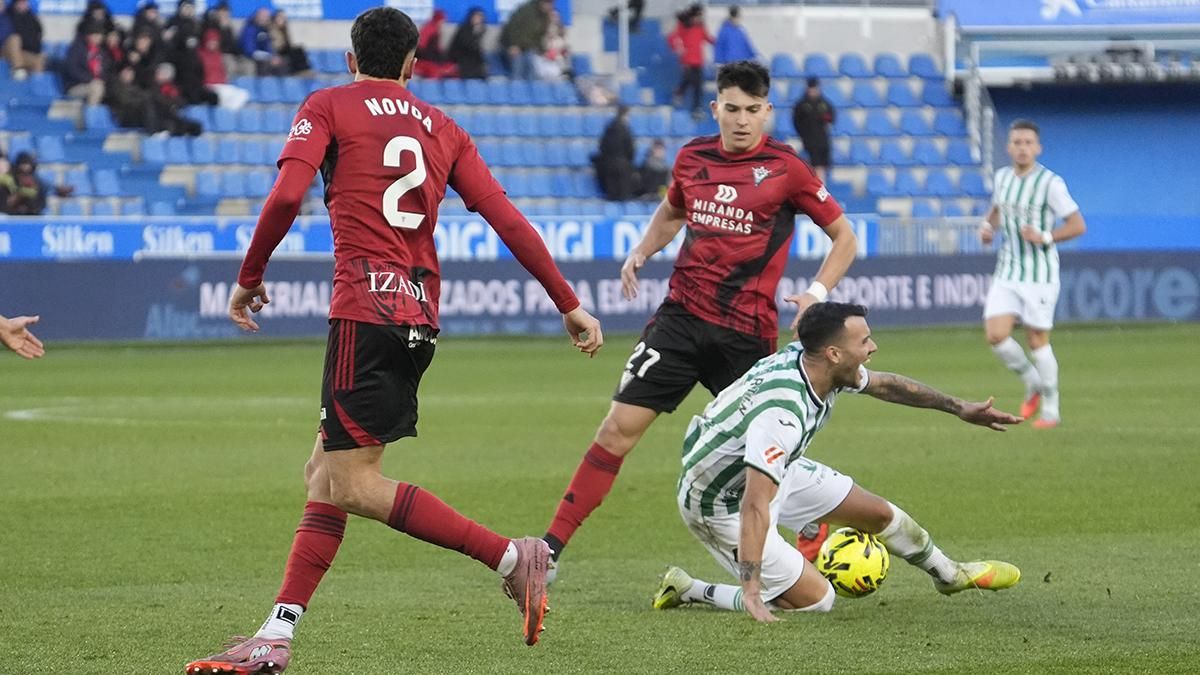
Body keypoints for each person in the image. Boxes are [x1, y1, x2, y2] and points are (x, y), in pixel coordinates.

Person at [183, 8, 603, 673]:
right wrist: (570, 302)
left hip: (363, 309)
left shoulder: (327, 104)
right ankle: (277, 629)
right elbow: (507, 218)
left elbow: (288, 195)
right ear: (413, 63)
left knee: (350, 481)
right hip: (417, 317)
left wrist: (249, 278)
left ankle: (511, 557)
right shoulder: (445, 127)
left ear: (351, 59)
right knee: (324, 473)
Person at [541, 60, 859, 574]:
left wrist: (817, 292)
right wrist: (641, 252)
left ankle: (806, 532)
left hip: (746, 337)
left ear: (767, 112)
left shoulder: (786, 168)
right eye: (732, 109)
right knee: (616, 430)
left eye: (753, 111)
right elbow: (671, 212)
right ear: (716, 108)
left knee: (768, 454)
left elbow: (845, 236)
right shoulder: (692, 158)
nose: (741, 120)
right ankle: (550, 549)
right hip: (681, 321)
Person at [651, 302, 1023, 621]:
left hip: (773, 468)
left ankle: (949, 574)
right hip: (720, 499)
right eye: (864, 342)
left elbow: (886, 385)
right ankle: (690, 588)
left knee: (879, 515)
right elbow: (755, 502)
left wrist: (959, 408)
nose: (872, 347)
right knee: (817, 600)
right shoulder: (783, 412)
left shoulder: (818, 362)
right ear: (833, 353)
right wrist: (750, 587)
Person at [979, 119, 1085, 429]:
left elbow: (1077, 224)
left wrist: (1047, 236)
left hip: (1040, 274)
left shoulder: (1051, 183)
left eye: (1028, 143)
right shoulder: (1002, 178)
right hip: (1008, 269)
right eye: (1017, 142)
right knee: (996, 335)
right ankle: (1032, 381)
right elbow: (998, 209)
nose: (1023, 148)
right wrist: (988, 228)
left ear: (1038, 148)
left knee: (1036, 339)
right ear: (1008, 147)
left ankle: (1051, 409)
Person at [667, 4, 713, 115]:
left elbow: (707, 38)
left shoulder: (700, 26)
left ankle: (694, 105)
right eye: (700, 15)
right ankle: (691, 104)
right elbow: (672, 37)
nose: (701, 17)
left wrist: (719, 43)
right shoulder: (684, 25)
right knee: (691, 82)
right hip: (687, 60)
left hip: (698, 60)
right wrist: (677, 48)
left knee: (694, 83)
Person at [792, 77, 835, 182]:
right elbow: (796, 121)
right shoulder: (802, 105)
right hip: (809, 140)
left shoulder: (824, 103)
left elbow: (831, 117)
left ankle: (822, 185)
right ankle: (818, 185)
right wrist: (803, 134)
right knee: (814, 164)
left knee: (823, 164)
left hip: (823, 139)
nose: (813, 91)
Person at [499, 0, 552, 80]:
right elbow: (513, 27)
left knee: (533, 69)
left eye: (550, 4)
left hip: (528, 48)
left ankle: (531, 90)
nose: (548, 6)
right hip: (512, 45)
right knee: (518, 69)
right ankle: (516, 90)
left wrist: (542, 50)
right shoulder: (526, 10)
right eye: (546, 3)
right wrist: (513, 45)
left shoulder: (545, 17)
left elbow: (540, 36)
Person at [596, 105, 635, 202]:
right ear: (625, 115)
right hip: (623, 165)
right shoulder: (626, 130)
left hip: (608, 164)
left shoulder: (608, 129)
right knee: (623, 195)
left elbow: (602, 146)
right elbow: (630, 149)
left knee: (611, 195)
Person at [3, 0, 44, 79]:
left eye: (24, 2)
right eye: (20, 3)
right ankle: (18, 70)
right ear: (15, 4)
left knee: (38, 60)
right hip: (5, 50)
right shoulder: (8, 16)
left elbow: (37, 35)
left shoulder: (32, 18)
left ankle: (36, 85)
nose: (23, 5)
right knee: (14, 39)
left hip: (23, 52)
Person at [413, 8, 456, 79]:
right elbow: (421, 47)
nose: (443, 23)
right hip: (426, 59)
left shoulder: (435, 29)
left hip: (431, 57)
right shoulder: (429, 29)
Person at [240, 6, 282, 76]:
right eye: (263, 16)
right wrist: (269, 57)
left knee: (281, 63)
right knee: (264, 65)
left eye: (267, 17)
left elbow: (268, 47)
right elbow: (250, 50)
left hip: (262, 56)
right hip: (248, 57)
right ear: (257, 16)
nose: (265, 19)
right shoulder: (250, 29)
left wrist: (273, 56)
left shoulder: (265, 30)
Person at [448, 6, 487, 80]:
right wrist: (476, 35)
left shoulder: (481, 30)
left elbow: (477, 50)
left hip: (473, 60)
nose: (479, 19)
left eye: (481, 17)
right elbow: (468, 45)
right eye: (477, 17)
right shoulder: (464, 29)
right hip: (461, 58)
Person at [270, 9, 310, 75]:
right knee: (295, 51)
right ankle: (301, 70)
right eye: (280, 17)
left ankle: (304, 70)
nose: (282, 19)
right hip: (277, 50)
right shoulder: (272, 28)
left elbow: (288, 42)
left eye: (284, 18)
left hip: (285, 49)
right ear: (275, 18)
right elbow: (275, 43)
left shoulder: (284, 29)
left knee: (298, 49)